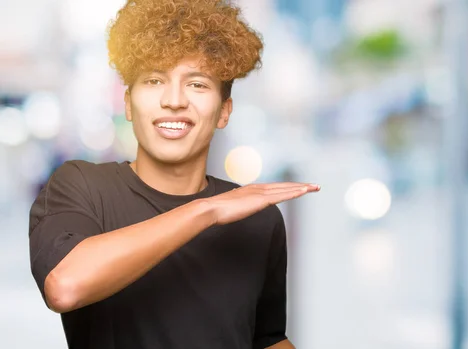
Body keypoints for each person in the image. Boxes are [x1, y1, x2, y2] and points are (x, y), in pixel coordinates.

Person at [28, 1, 319, 348]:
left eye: (197, 84)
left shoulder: (258, 221)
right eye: (154, 80)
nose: (174, 100)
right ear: (128, 103)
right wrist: (205, 211)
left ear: (224, 111)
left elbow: (267, 338)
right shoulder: (82, 186)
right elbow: (65, 286)